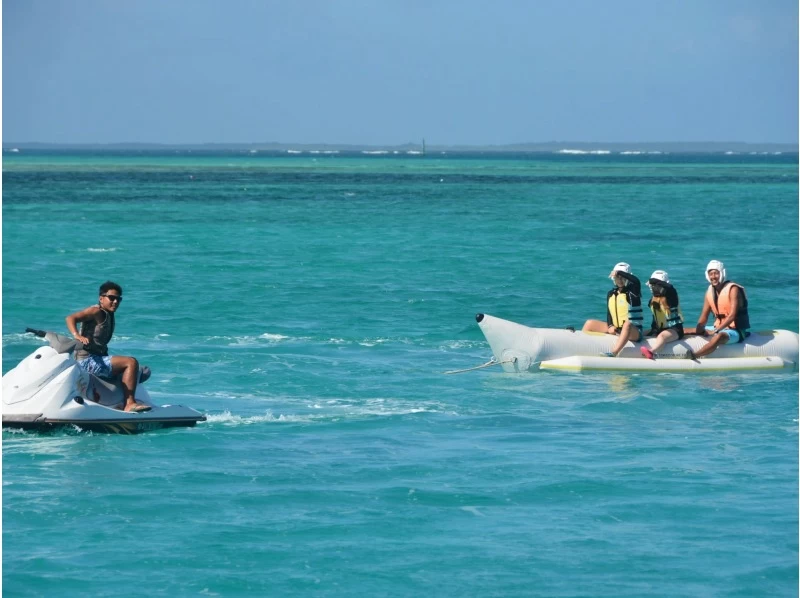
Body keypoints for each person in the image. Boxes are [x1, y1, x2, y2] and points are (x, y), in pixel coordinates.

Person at [65, 281, 150, 412]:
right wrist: (77, 335)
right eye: (111, 298)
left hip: (97, 359)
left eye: (118, 299)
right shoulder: (96, 311)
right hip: (87, 361)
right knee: (131, 362)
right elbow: (71, 318)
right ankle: (130, 403)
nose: (115, 302)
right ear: (101, 298)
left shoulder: (109, 314)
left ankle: (118, 400)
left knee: (142, 371)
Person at [686, 260, 750, 359]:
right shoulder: (710, 292)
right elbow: (704, 315)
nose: (713, 277)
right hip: (718, 327)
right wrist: (700, 327)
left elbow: (732, 315)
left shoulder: (733, 289)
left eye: (716, 273)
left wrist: (716, 331)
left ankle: (694, 355)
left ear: (722, 273)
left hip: (735, 331)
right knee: (686, 330)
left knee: (719, 337)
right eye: (710, 274)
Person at [582, 262, 643, 357]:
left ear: (627, 278)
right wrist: (610, 326)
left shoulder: (633, 293)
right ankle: (581, 347)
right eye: (617, 278)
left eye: (622, 278)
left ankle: (614, 352)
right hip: (616, 329)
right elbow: (609, 313)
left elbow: (636, 281)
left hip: (634, 331)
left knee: (627, 324)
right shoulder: (611, 294)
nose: (620, 280)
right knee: (589, 323)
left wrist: (619, 272)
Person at [640, 270, 684, 359]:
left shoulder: (672, 298)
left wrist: (653, 281)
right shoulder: (653, 299)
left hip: (674, 330)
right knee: (641, 334)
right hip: (657, 329)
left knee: (662, 336)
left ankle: (651, 352)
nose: (652, 287)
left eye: (654, 286)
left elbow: (670, 288)